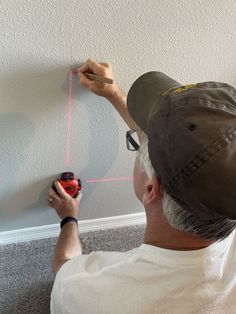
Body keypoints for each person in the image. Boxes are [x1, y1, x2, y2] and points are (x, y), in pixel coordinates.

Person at [49, 58, 236, 314]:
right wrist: (114, 94)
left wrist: (68, 218)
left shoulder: (85, 292)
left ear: (152, 188)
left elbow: (64, 264)